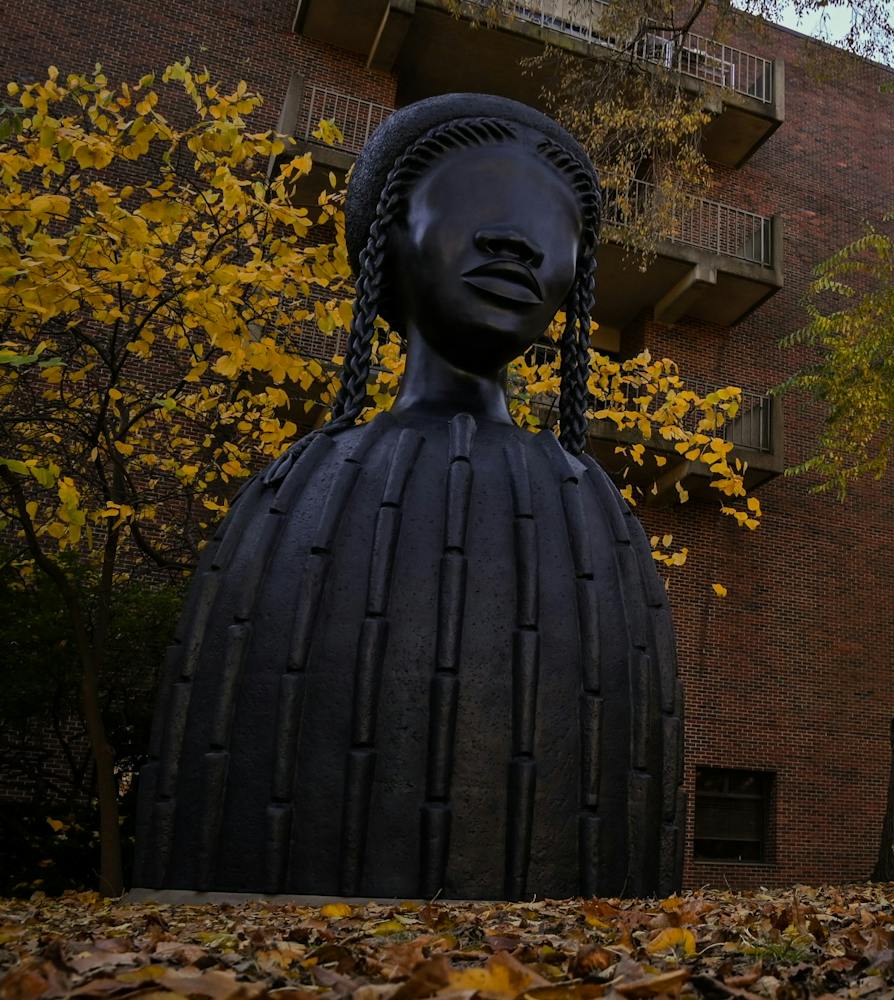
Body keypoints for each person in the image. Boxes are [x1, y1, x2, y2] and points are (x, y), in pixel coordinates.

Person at [135, 94, 683, 901]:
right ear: (392, 238)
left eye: (546, 230)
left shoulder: (591, 506)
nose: (513, 242)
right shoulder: (298, 492)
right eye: (471, 209)